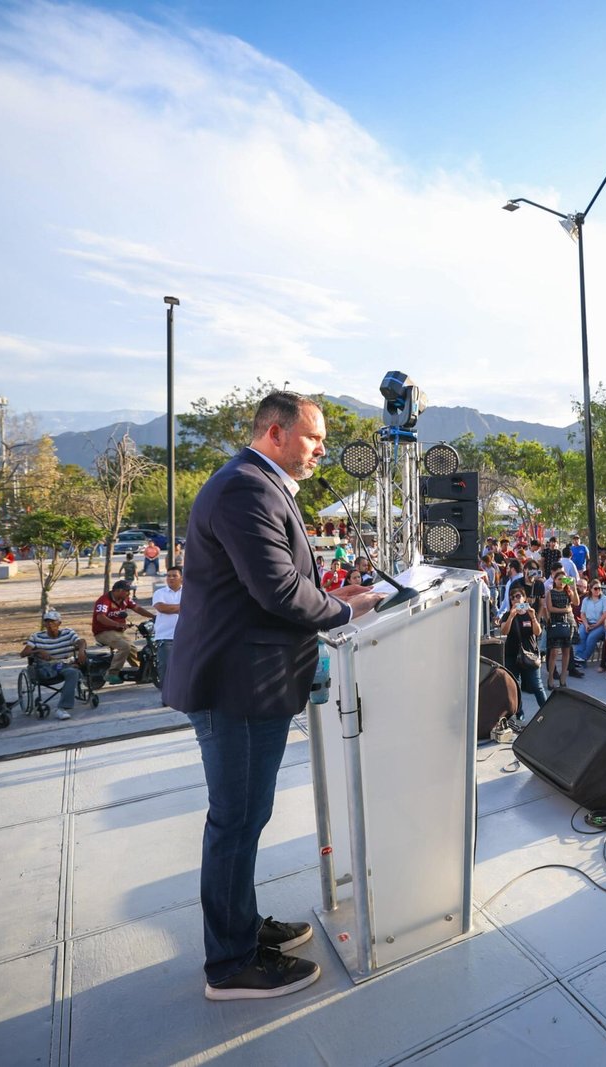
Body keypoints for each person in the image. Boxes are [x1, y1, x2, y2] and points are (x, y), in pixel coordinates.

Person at [163, 390, 384, 1001]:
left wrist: (341, 595)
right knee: (234, 823)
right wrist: (344, 607)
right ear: (276, 432)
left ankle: (242, 928)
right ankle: (230, 965)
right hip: (235, 688)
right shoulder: (246, 489)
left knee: (246, 817)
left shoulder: (256, 484)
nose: (321, 449)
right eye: (313, 438)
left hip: (248, 684)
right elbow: (279, 592)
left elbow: (275, 582)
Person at [20, 609, 88, 720]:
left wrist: (81, 651)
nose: (50, 624)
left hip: (64, 665)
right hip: (46, 666)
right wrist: (38, 651)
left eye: (53, 621)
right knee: (70, 670)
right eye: (47, 621)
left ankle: (62, 708)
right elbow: (23, 653)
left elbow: (81, 641)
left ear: (59, 623)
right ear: (44, 624)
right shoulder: (37, 636)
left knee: (73, 672)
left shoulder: (68, 633)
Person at [93, 580, 155, 682]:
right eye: (127, 591)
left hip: (118, 632)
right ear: (118, 591)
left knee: (132, 648)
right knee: (124, 646)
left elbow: (138, 608)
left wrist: (154, 616)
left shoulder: (125, 600)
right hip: (103, 632)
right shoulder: (104, 600)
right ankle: (112, 674)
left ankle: (141, 673)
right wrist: (118, 624)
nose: (129, 593)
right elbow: (100, 617)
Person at [501, 586, 551, 710]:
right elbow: (504, 631)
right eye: (512, 598)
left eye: (518, 596)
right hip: (512, 654)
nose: (515, 600)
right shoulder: (508, 615)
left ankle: (546, 710)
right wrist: (511, 617)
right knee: (515, 685)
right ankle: (519, 712)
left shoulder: (530, 613)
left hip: (529, 654)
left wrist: (533, 617)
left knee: (536, 685)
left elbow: (538, 632)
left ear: (524, 598)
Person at [151, 566, 184, 694]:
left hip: (186, 636)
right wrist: (185, 606)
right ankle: (167, 694)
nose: (170, 578)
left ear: (181, 578)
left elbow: (196, 607)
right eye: (168, 575)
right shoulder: (160, 593)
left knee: (185, 666)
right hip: (166, 637)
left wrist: (176, 608)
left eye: (174, 575)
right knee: (165, 667)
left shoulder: (189, 592)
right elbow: (162, 608)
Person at [543, 574, 577, 687]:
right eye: (559, 579)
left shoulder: (568, 592)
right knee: (554, 652)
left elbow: (576, 602)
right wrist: (566, 609)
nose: (561, 582)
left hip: (568, 624)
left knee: (566, 651)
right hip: (555, 624)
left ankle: (563, 677)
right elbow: (550, 608)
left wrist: (574, 587)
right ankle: (551, 678)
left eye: (564, 579)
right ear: (554, 580)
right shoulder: (550, 593)